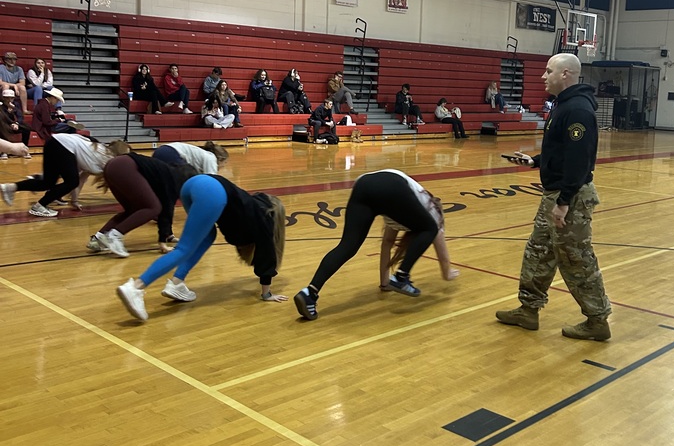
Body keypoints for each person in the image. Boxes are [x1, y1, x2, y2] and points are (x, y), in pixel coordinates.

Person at [496, 51, 612, 342]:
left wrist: (563, 202)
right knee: (539, 251)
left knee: (575, 258)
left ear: (565, 74)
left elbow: (579, 160)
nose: (543, 77)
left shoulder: (578, 110)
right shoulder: (564, 105)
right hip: (555, 194)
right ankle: (528, 310)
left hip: (569, 197)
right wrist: (535, 161)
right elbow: (562, 152)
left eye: (548, 71)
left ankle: (597, 320)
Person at [115, 175, 287, 322]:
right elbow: (267, 256)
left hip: (194, 184)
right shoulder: (264, 221)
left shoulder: (250, 206)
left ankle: (176, 283)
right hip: (211, 191)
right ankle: (136, 287)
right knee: (184, 248)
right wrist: (266, 294)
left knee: (207, 235)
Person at [293, 168, 458, 321]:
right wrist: (448, 273)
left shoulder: (404, 211)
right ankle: (402, 276)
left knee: (348, 246)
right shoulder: (432, 213)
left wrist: (384, 283)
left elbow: (387, 243)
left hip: (363, 184)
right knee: (430, 229)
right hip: (391, 183)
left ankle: (310, 293)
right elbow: (442, 253)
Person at [88, 152, 198, 257]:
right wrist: (162, 242)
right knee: (153, 208)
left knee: (133, 210)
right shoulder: (174, 182)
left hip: (114, 165)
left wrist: (168, 235)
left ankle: (98, 239)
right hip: (125, 166)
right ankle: (114, 236)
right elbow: (166, 211)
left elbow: (166, 210)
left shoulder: (168, 173)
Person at [0, 135, 126, 217]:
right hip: (62, 146)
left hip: (54, 141)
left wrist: (74, 201)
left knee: (48, 182)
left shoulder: (100, 153)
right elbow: (76, 182)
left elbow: (81, 180)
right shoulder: (107, 160)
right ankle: (40, 205)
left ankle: (10, 188)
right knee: (71, 181)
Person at [152, 140, 228, 174]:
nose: (224, 166)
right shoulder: (211, 157)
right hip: (171, 153)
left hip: (161, 150)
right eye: (225, 162)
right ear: (220, 159)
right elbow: (212, 180)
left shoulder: (202, 155)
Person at [0, 51, 28, 116]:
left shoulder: (19, 69)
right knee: (5, 86)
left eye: (14, 59)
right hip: (2, 88)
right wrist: (14, 85)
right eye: (10, 59)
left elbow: (23, 83)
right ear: (5, 60)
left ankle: (24, 110)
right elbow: (0, 82)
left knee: (22, 87)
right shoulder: (1, 68)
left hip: (15, 89)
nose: (12, 61)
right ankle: (6, 107)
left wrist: (15, 86)